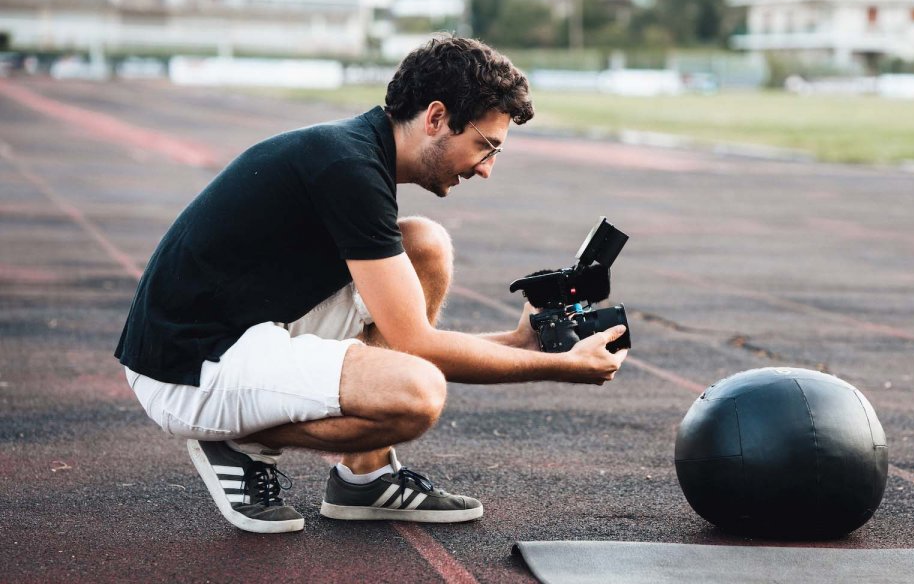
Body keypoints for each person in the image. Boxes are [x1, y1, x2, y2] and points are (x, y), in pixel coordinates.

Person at [115, 35, 629, 534]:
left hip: (246, 321)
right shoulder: (350, 168)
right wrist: (559, 366)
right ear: (436, 118)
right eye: (485, 146)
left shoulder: (360, 153)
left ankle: (365, 476)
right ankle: (231, 441)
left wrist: (520, 344)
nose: (487, 168)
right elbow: (416, 347)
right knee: (416, 393)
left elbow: (407, 330)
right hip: (188, 364)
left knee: (423, 244)